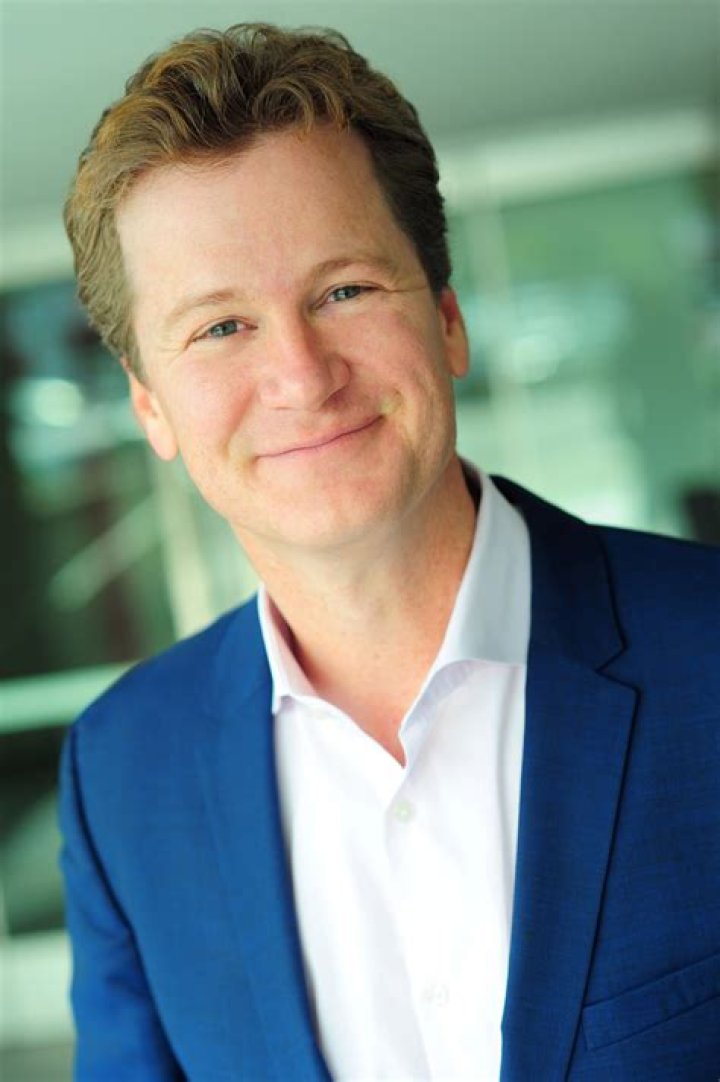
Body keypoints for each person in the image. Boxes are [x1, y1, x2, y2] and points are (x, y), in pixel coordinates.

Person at [58, 23, 719, 1082]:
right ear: (151, 407)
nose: (301, 374)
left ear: (447, 320)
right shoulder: (123, 772)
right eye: (221, 327)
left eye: (345, 290)